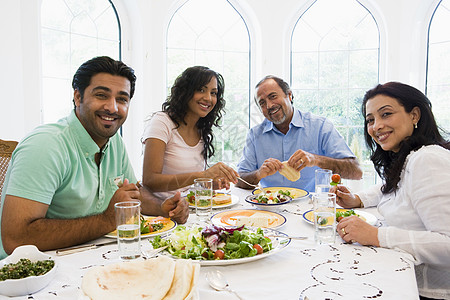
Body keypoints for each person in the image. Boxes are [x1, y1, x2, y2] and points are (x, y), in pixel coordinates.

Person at [0, 56, 189, 258]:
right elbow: (16, 238)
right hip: (31, 275)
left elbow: (133, 194)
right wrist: (108, 220)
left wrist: (162, 207)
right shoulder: (45, 145)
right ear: (78, 97)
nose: (112, 107)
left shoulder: (113, 141)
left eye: (122, 99)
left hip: (90, 257)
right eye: (101, 95)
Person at [332, 82, 450, 300]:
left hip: (428, 293)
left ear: (415, 115)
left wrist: (376, 235)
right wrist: (357, 199)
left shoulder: (428, 160)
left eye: (386, 114)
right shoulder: (410, 158)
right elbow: (391, 186)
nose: (376, 126)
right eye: (370, 120)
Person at [236, 75, 362, 192]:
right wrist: (258, 174)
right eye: (262, 103)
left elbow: (356, 171)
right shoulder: (255, 135)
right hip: (271, 209)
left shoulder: (320, 126)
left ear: (289, 95)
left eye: (273, 96)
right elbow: (239, 180)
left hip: (312, 207)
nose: (269, 105)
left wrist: (316, 159)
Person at [142, 66, 238, 200]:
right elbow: (150, 181)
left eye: (213, 93)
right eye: (201, 90)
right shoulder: (162, 122)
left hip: (189, 208)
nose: (208, 98)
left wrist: (210, 183)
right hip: (159, 212)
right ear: (185, 91)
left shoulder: (201, 128)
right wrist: (203, 176)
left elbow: (188, 184)